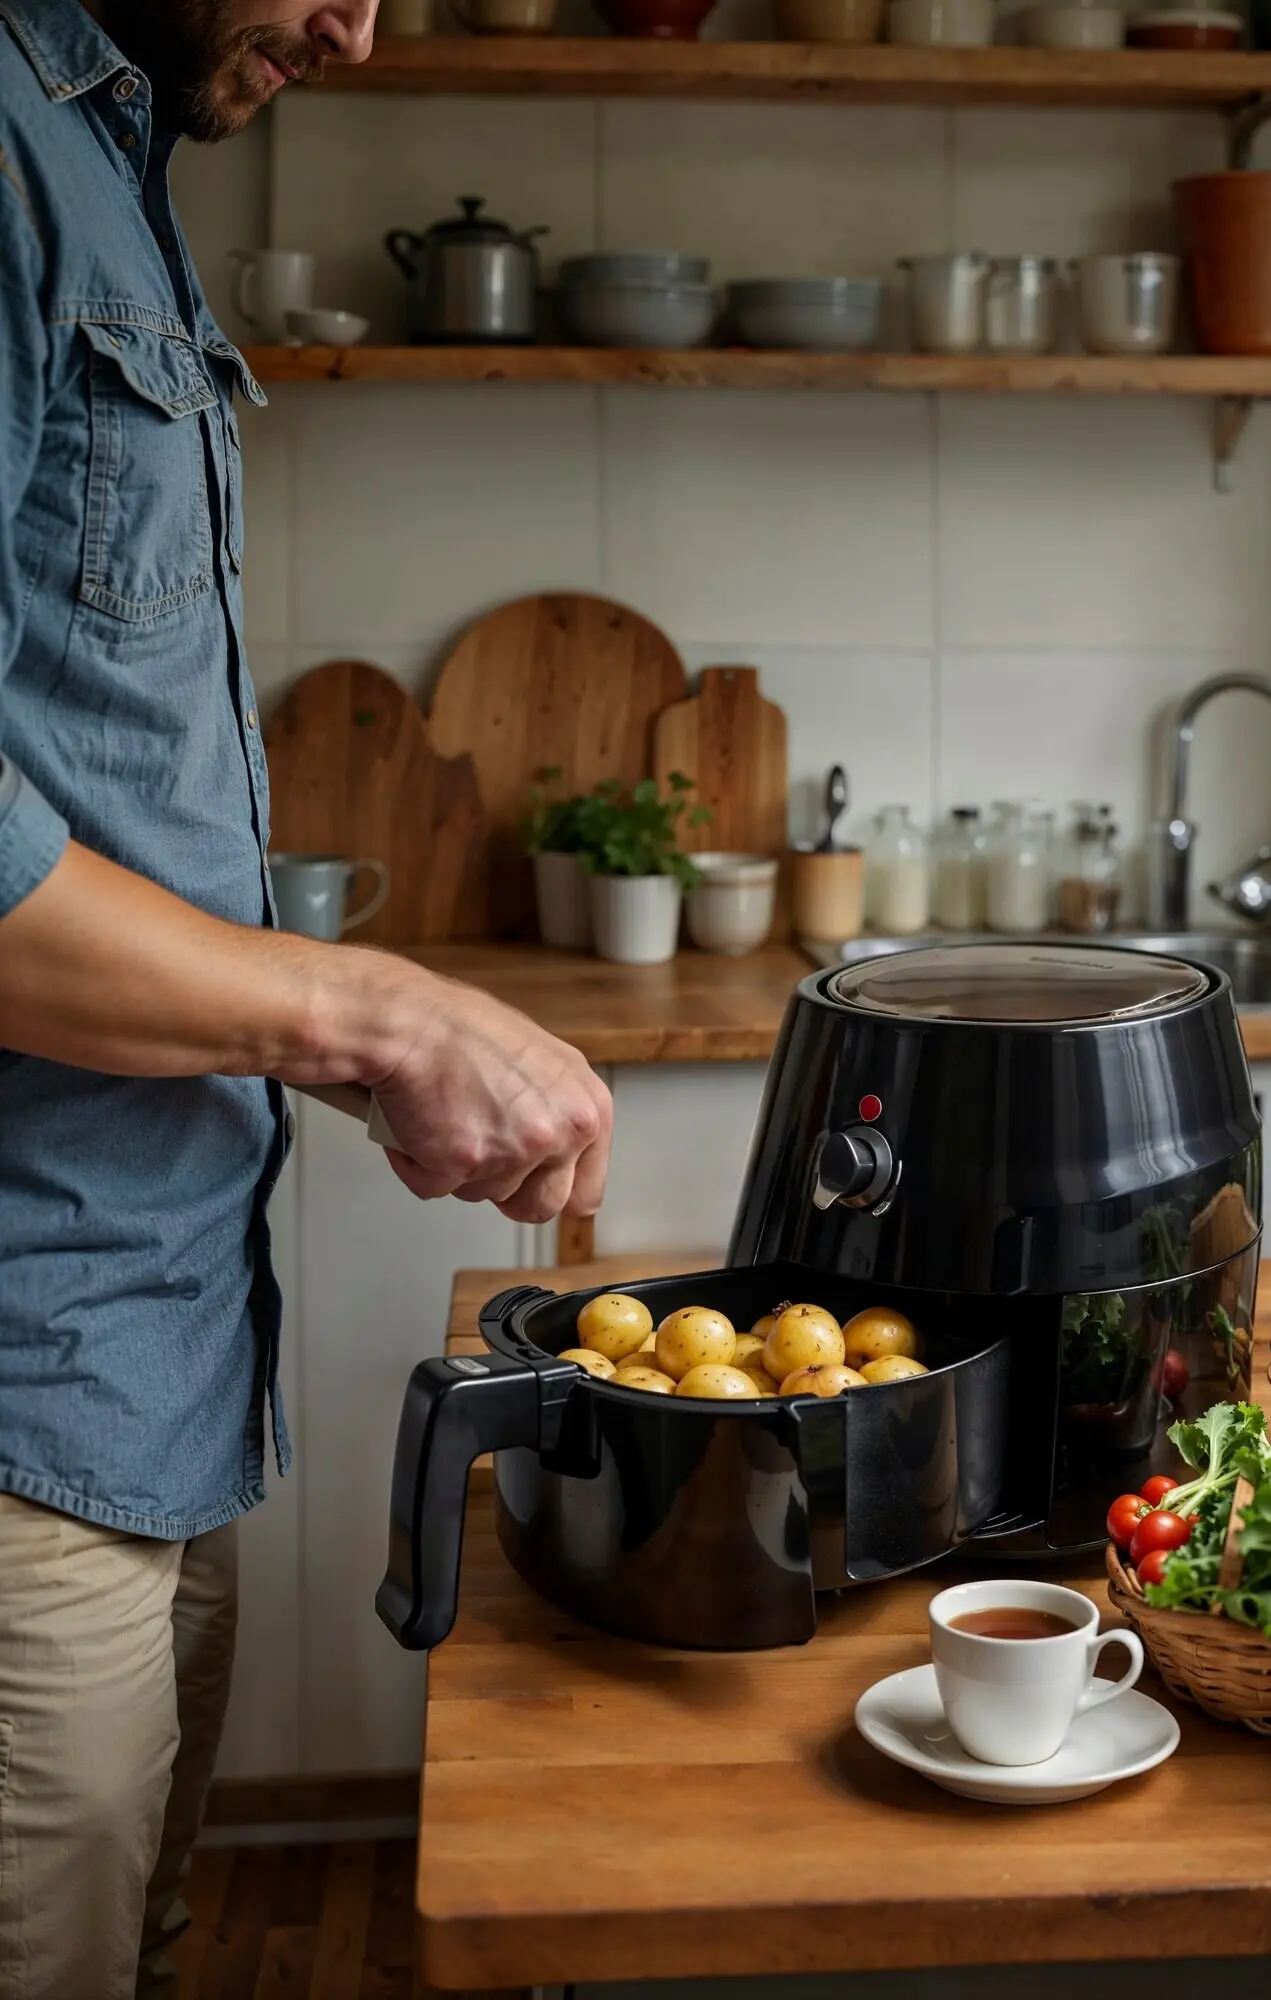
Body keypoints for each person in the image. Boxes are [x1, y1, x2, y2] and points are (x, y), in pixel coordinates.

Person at [0, 3, 613, 1991]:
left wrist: (341, 1040)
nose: (357, 23)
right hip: (20, 1385)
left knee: (134, 1942)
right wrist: (359, 1009)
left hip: (147, 1347)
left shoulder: (116, 156)